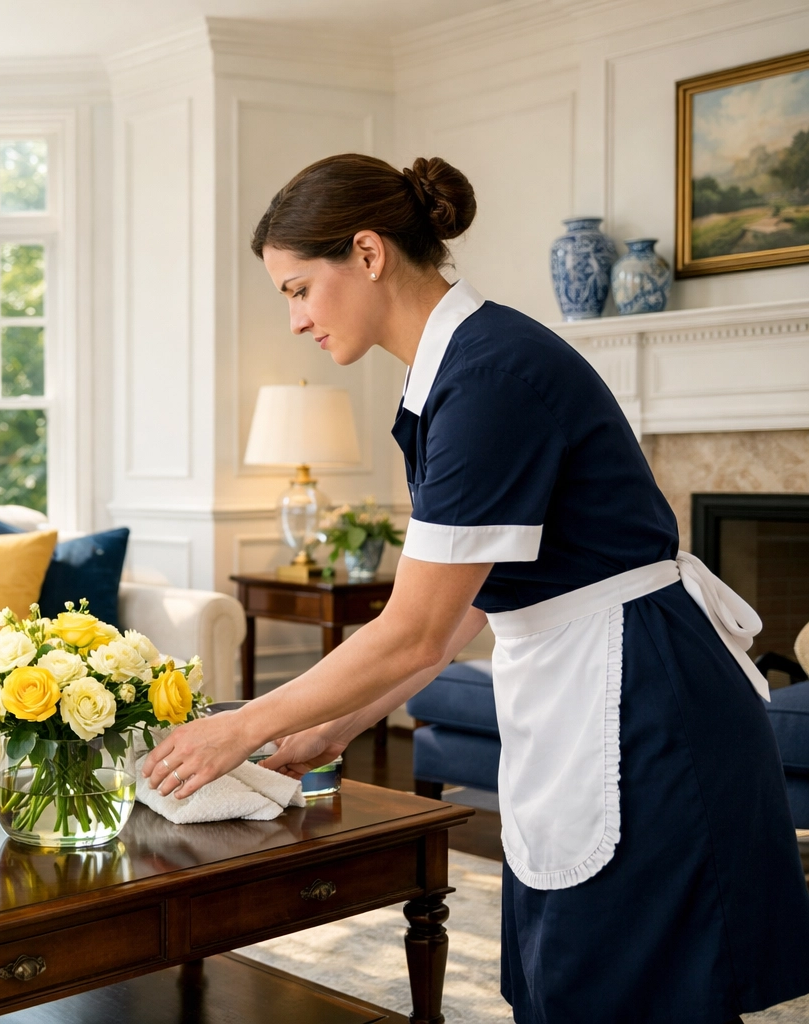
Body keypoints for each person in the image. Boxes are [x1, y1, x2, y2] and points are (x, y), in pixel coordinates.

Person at [140, 153, 809, 1023]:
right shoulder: (454, 372)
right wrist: (332, 725)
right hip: (594, 690)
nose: (297, 319)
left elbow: (416, 630)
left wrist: (245, 725)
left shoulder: (487, 379)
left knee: (620, 987)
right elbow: (458, 615)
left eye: (299, 289)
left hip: (647, 707)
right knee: (560, 977)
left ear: (369, 254)